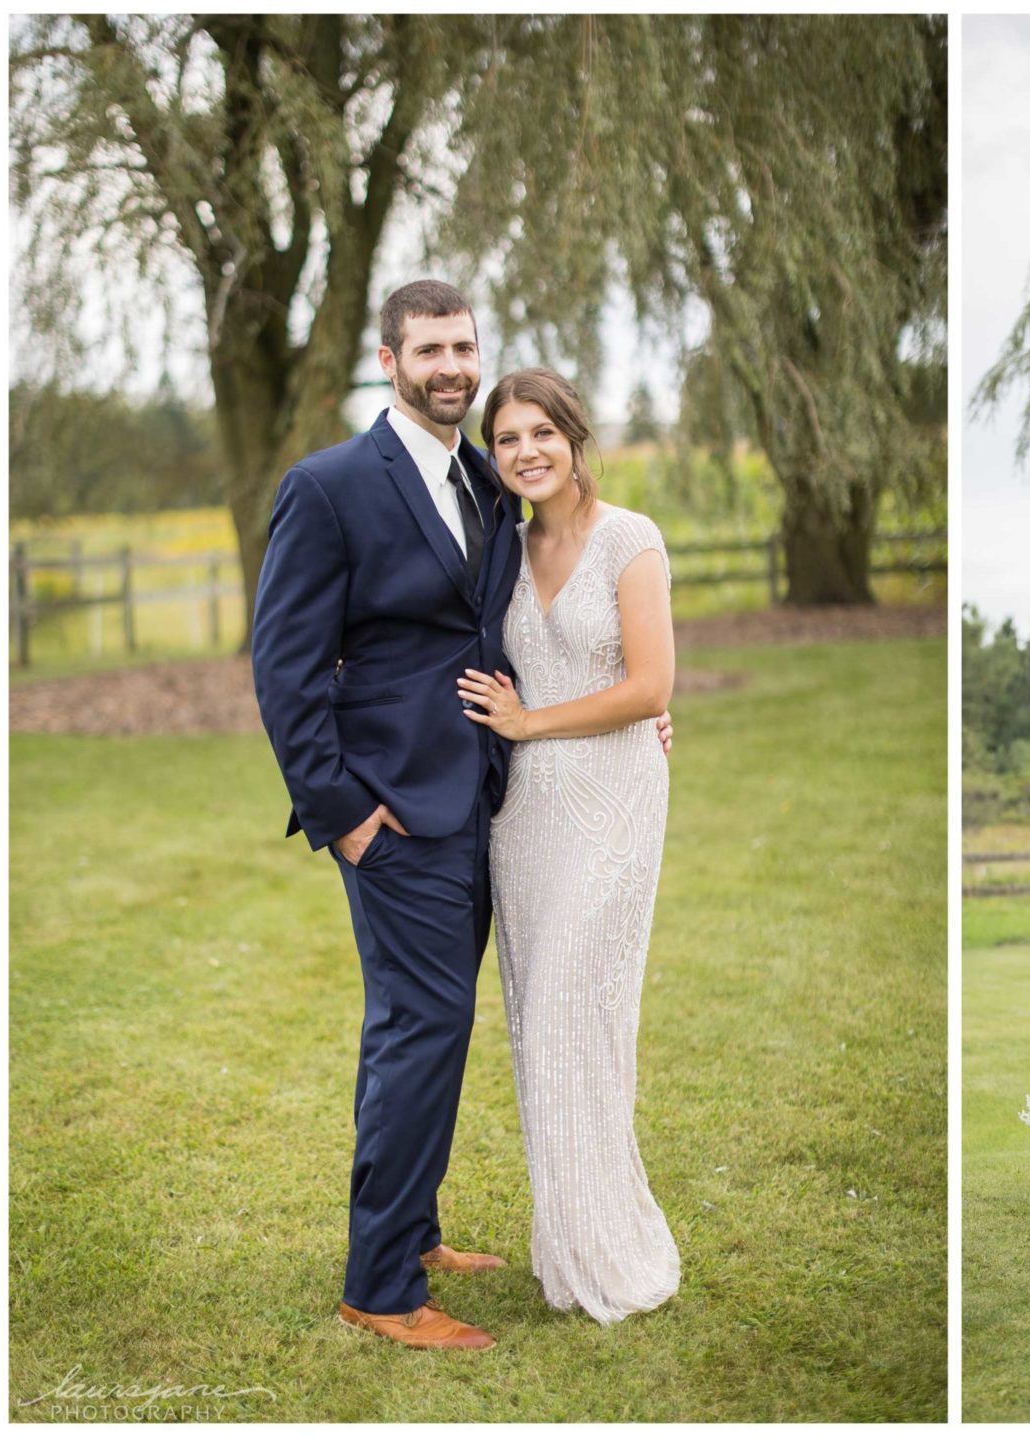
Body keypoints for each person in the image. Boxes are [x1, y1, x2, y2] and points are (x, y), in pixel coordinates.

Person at [253, 284, 669, 1350]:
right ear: (387, 360)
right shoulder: (330, 486)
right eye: (428, 348)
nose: (450, 363)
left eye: (464, 346)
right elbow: (284, 667)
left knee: (427, 1029)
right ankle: (382, 1288)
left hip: (489, 800)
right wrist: (342, 811)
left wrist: (629, 721)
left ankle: (417, 1230)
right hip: (390, 812)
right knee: (419, 1028)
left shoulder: (485, 483)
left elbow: (539, 626)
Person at [456, 369, 681, 1320]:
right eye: (507, 440)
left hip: (614, 802)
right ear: (494, 457)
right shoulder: (498, 546)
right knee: (542, 1028)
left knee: (574, 1007)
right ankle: (573, 1238)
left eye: (541, 432)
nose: (526, 453)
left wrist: (529, 722)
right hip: (525, 821)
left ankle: (609, 1246)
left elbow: (650, 688)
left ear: (573, 436)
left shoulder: (630, 539)